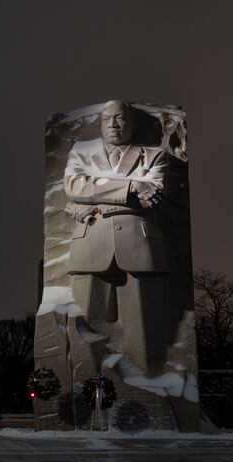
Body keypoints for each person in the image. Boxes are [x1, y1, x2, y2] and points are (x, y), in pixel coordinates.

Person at [63, 100, 172, 375]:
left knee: (144, 328)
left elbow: (153, 198)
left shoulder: (155, 155)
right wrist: (133, 185)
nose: (113, 124)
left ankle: (148, 383)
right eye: (107, 118)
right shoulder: (81, 151)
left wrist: (92, 200)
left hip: (139, 244)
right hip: (90, 241)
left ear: (132, 123)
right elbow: (74, 188)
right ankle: (88, 382)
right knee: (84, 324)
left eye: (120, 118)